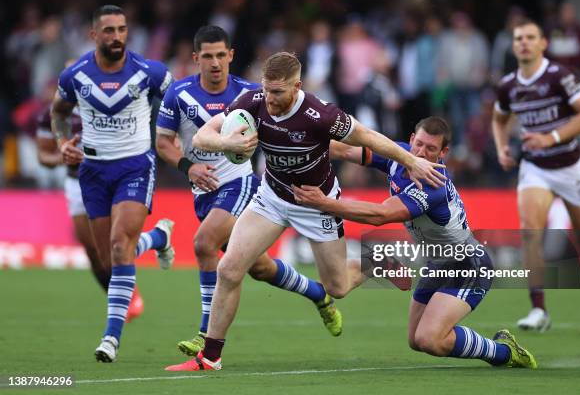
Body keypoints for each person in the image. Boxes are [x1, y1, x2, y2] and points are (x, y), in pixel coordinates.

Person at [165, 51, 447, 371]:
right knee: (229, 268)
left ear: (297, 86)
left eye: (278, 92)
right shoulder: (253, 101)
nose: (269, 99)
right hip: (272, 197)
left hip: (317, 204)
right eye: (266, 89)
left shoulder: (321, 115)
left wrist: (411, 160)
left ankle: (378, 261)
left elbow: (369, 137)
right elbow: (204, 135)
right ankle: (210, 357)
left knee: (337, 288)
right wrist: (227, 144)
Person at [155, 25, 343, 357]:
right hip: (204, 191)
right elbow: (163, 143)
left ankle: (204, 334)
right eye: (207, 56)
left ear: (231, 56)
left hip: (240, 184)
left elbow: (298, 134)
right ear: (196, 58)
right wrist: (189, 168)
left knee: (204, 243)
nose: (215, 63)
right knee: (259, 268)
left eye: (220, 55)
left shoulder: (251, 94)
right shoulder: (179, 94)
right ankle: (317, 294)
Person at [293, 116, 537, 369]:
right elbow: (343, 148)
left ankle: (503, 352)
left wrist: (324, 203)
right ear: (411, 139)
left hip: (468, 267)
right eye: (418, 144)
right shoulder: (398, 155)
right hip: (436, 264)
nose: (421, 152)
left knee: (429, 339)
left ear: (443, 153)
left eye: (431, 149)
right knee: (415, 340)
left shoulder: (434, 184)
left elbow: (380, 215)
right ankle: (381, 263)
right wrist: (293, 143)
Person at [50, 5, 174, 362]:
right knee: (108, 259)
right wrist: (62, 144)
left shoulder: (150, 71)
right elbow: (58, 111)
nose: (116, 36)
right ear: (94, 35)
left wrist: (180, 142)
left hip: (134, 167)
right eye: (109, 31)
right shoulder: (75, 75)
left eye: (121, 29)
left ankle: (110, 339)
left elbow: (178, 102)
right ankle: (159, 237)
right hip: (92, 172)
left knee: (120, 246)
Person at [492, 19, 580, 331]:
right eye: (519, 38)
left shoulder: (560, 76)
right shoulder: (508, 85)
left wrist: (551, 137)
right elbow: (499, 118)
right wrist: (502, 148)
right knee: (530, 230)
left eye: (531, 37)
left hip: (570, 166)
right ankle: (538, 309)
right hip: (535, 168)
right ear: (514, 45)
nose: (524, 43)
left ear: (543, 43)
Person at [37, 87, 174, 323]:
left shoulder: (108, 106)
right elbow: (43, 156)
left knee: (117, 243)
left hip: (111, 178)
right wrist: (62, 155)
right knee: (95, 254)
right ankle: (153, 246)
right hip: (75, 182)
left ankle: (123, 303)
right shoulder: (52, 114)